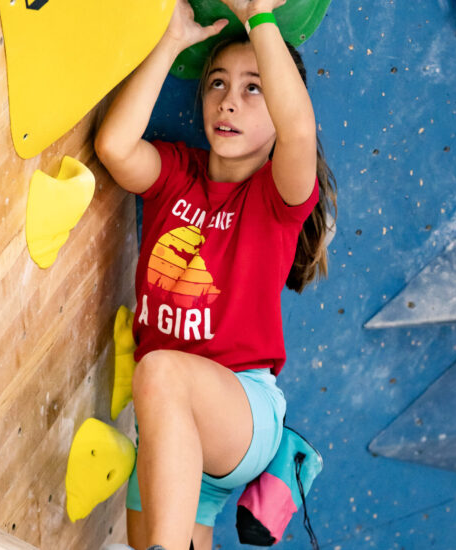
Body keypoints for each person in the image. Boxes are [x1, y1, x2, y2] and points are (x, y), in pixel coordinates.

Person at [94, 1, 336, 549]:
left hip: (240, 413)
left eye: (254, 89)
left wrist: (261, 18)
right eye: (217, 84)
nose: (229, 101)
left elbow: (299, 130)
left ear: (278, 107)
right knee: (150, 538)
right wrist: (173, 40)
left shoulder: (277, 197)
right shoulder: (176, 173)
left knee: (158, 372)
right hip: (170, 427)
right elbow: (114, 147)